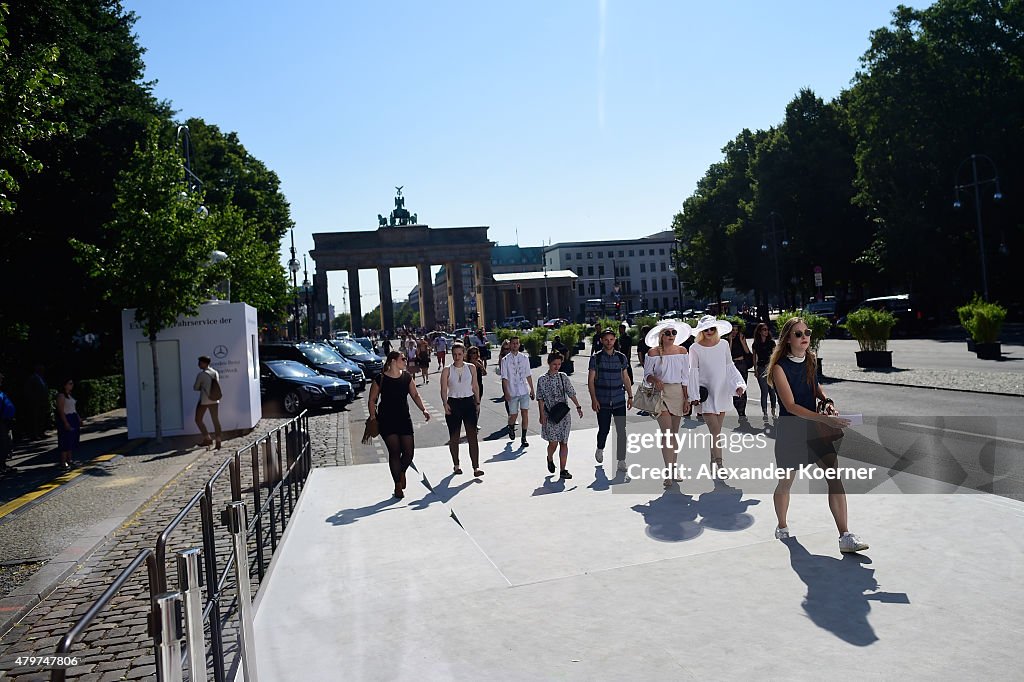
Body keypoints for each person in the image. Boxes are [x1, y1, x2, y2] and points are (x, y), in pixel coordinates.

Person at [768, 317, 868, 554]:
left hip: (814, 428)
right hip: (791, 431)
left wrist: (827, 402)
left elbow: (814, 387)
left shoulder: (810, 360)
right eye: (798, 334)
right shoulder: (779, 368)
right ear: (787, 340)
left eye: (807, 332)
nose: (804, 337)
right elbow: (790, 406)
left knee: (834, 477)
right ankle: (782, 525)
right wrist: (825, 419)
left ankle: (845, 536)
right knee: (786, 482)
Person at [368, 351, 431, 499]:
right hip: (386, 420)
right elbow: (372, 399)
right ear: (393, 361)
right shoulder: (380, 378)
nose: (405, 360)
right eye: (402, 359)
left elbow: (415, 395)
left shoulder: (407, 377)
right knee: (395, 452)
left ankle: (401, 471)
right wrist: (372, 416)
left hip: (404, 418)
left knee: (409, 453)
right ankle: (397, 485)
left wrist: (424, 409)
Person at [688, 316, 746, 476]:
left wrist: (738, 385)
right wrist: (693, 395)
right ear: (701, 330)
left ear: (716, 329)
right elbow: (692, 372)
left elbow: (730, 367)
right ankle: (720, 466)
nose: (709, 331)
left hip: (722, 392)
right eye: (705, 329)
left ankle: (713, 462)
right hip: (705, 395)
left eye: (712, 328)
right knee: (715, 432)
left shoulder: (724, 345)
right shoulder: (694, 348)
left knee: (716, 432)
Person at [642, 320, 693, 486]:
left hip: (678, 392)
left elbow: (686, 377)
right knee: (667, 433)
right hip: (660, 394)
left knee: (674, 434)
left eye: (674, 333)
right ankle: (668, 471)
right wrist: (655, 379)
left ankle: (674, 468)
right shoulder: (652, 353)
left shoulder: (682, 351)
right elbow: (647, 376)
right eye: (668, 333)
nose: (671, 336)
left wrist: (687, 399)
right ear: (661, 335)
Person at [588, 328, 633, 472]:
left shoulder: (621, 357)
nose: (609, 342)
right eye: (606, 340)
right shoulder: (596, 358)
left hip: (619, 399)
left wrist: (630, 396)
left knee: (621, 431)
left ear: (615, 340)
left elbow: (625, 377)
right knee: (604, 429)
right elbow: (590, 381)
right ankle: (600, 448)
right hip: (603, 400)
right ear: (601, 340)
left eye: (611, 339)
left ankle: (621, 460)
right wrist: (593, 399)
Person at [537, 351, 584, 479]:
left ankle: (563, 470)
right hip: (550, 415)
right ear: (549, 363)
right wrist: (542, 415)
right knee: (553, 443)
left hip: (564, 415)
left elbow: (571, 392)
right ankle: (550, 458)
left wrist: (578, 406)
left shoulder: (563, 377)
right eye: (554, 364)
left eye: (559, 364)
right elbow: (540, 398)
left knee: (564, 442)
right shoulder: (542, 379)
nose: (557, 367)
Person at [441, 344, 483, 477]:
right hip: (453, 403)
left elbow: (475, 386)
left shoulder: (471, 368)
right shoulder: (447, 370)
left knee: (472, 436)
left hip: (468, 402)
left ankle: (476, 467)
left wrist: (477, 401)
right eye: (454, 354)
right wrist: (445, 403)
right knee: (454, 436)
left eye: (459, 354)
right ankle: (456, 465)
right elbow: (443, 389)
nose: (457, 357)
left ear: (464, 354)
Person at [500, 336, 534, 448]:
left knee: (525, 413)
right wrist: (506, 393)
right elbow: (504, 378)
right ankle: (511, 427)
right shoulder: (505, 360)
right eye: (513, 343)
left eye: (517, 343)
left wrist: (532, 389)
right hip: (512, 391)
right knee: (513, 415)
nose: (515, 345)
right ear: (510, 345)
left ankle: (524, 438)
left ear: (519, 345)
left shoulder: (524, 358)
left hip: (524, 390)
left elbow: (528, 374)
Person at [193, 356, 222, 449]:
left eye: (200, 363)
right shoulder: (215, 372)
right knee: (215, 420)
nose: (199, 364)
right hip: (215, 400)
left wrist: (202, 386)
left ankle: (207, 438)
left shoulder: (201, 375)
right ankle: (218, 440)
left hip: (204, 400)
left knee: (198, 419)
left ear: (205, 363)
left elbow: (195, 387)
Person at [752, 322, 778, 420]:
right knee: (764, 391)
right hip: (761, 368)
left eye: (767, 329)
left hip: (770, 368)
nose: (766, 331)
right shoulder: (756, 344)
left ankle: (773, 410)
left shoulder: (771, 342)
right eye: (764, 329)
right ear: (759, 331)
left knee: (772, 391)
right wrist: (755, 369)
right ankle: (765, 412)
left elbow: (775, 355)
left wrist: (773, 367)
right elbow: (754, 357)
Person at [55, 378, 82, 470]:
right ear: (64, 385)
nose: (72, 385)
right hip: (67, 418)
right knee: (65, 440)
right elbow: (61, 411)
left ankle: (69, 460)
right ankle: (63, 462)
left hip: (73, 417)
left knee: (71, 440)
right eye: (70, 383)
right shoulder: (61, 396)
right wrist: (65, 422)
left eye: (72, 383)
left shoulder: (69, 395)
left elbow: (73, 408)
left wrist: (78, 418)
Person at [727, 325, 753, 420]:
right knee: (734, 389)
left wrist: (742, 341)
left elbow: (747, 351)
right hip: (732, 366)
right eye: (733, 330)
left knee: (742, 388)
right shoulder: (726, 341)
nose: (734, 332)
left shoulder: (741, 338)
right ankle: (739, 410)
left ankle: (742, 412)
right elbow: (727, 354)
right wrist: (730, 341)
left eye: (736, 330)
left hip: (742, 364)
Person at [23, 364, 49, 439]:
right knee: (35, 419)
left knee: (42, 417)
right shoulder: (32, 378)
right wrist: (33, 399)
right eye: (41, 369)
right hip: (35, 402)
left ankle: (41, 433)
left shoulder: (42, 378)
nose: (42, 371)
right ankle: (34, 434)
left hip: (42, 402)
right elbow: (28, 391)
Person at [0, 373, 17, 475]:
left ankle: (3, 464)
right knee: (3, 443)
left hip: (6, 421)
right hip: (1, 421)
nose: (2, 378)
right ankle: (1, 466)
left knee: (6, 442)